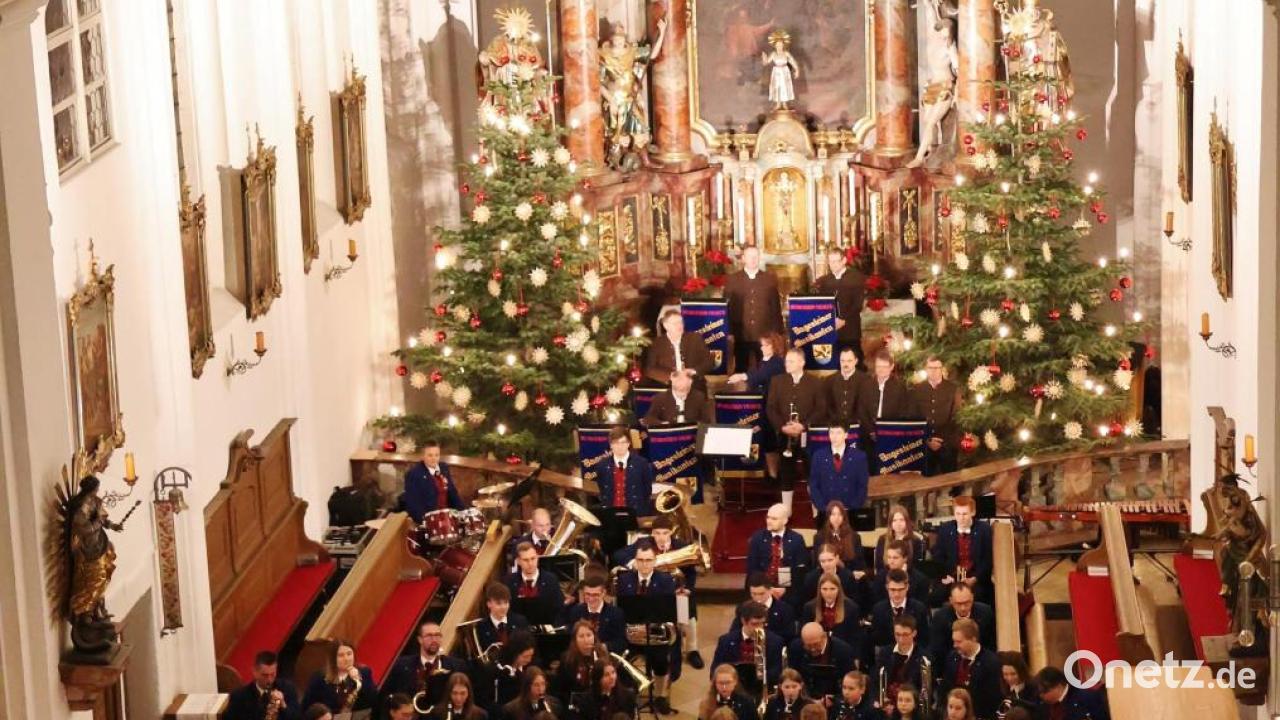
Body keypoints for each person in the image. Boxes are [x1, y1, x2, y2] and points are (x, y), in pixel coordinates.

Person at [614, 515, 704, 668]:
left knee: (687, 607)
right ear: (652, 533)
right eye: (657, 533)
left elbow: (691, 573)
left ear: (671, 533)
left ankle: (692, 649)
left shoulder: (681, 545)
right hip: (651, 589)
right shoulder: (643, 543)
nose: (661, 537)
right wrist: (632, 563)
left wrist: (688, 588)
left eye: (665, 533)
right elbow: (619, 554)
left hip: (676, 590)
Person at [614, 540, 678, 714]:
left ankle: (659, 696)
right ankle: (628, 693)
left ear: (655, 561)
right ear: (635, 561)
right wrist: (634, 629)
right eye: (640, 560)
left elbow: (669, 615)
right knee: (621, 657)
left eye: (648, 560)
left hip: (655, 634)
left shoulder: (665, 581)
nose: (644, 564)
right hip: (632, 633)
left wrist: (650, 629)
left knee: (660, 657)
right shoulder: (624, 580)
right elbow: (621, 612)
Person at [766, 349, 828, 513]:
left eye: (791, 361)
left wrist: (804, 426)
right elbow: (771, 408)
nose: (787, 364)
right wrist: (782, 427)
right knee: (786, 472)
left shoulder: (815, 383)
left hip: (808, 436)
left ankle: (816, 508)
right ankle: (787, 510)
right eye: (786, 361)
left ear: (802, 362)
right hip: (784, 435)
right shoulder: (776, 381)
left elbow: (821, 408)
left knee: (812, 472)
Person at [727, 331, 788, 481]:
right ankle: (768, 472)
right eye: (761, 345)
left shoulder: (777, 362)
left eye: (764, 345)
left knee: (770, 441)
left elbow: (760, 376)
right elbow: (753, 377)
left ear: (773, 346)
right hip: (759, 405)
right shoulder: (762, 362)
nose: (761, 348)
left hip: (772, 406)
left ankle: (775, 475)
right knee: (765, 440)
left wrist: (741, 376)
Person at [383, 621, 466, 712]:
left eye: (438, 635)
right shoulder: (401, 665)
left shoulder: (457, 666)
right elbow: (387, 696)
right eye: (429, 636)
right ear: (419, 639)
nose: (434, 639)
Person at [725, 245, 784, 370]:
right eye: (750, 256)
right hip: (740, 333)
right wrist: (728, 331)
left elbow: (775, 307)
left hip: (764, 334)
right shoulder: (733, 279)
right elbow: (727, 308)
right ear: (743, 258)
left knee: (765, 368)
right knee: (741, 368)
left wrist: (778, 332)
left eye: (756, 257)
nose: (753, 259)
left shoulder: (769, 279)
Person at [711, 601, 785, 700]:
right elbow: (715, 670)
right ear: (743, 621)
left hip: (761, 691)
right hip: (732, 689)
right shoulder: (726, 641)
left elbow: (777, 672)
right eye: (755, 624)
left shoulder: (775, 641)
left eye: (762, 623)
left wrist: (760, 674)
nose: (759, 628)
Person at [855, 351, 911, 475]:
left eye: (884, 367)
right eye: (878, 366)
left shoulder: (899, 387)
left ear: (891, 367)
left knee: (889, 470)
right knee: (869, 467)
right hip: (868, 434)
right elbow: (861, 411)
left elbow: (903, 412)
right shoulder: (866, 385)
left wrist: (888, 431)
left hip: (891, 435)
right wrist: (871, 431)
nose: (880, 370)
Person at [932, 496, 993, 604]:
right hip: (951, 577)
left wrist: (975, 578)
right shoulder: (945, 529)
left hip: (975, 579)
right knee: (936, 596)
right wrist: (948, 575)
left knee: (981, 596)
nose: (961, 518)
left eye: (964, 514)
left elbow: (988, 559)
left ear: (973, 512)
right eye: (958, 514)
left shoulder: (984, 530)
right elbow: (938, 556)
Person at [745, 503, 809, 607]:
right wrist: (767, 588)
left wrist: (785, 589)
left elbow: (800, 571)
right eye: (768, 517)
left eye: (774, 519)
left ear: (785, 521)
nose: (769, 521)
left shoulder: (797, 539)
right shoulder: (758, 538)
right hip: (761, 588)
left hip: (788, 590)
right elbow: (752, 568)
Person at [909, 355, 962, 476]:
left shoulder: (953, 389)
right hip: (923, 444)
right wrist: (927, 439)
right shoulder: (917, 389)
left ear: (942, 369)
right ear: (926, 369)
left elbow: (956, 418)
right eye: (930, 368)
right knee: (924, 483)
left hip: (947, 443)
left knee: (951, 482)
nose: (934, 371)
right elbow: (913, 417)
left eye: (937, 368)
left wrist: (941, 441)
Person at [940, 619, 1001, 719]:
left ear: (973, 639)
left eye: (959, 641)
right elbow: (945, 689)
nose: (955, 645)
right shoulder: (952, 658)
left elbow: (992, 700)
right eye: (954, 641)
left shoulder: (991, 663)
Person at [813, 248, 867, 361]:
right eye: (830, 262)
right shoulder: (824, 281)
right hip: (829, 327)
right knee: (831, 362)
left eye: (836, 261)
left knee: (853, 359)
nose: (832, 265)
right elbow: (822, 304)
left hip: (850, 328)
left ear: (844, 260)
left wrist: (843, 319)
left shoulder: (856, 277)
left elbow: (857, 304)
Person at [788, 622, 857, 707]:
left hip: (833, 703)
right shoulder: (796, 647)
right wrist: (806, 700)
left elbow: (853, 682)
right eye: (808, 646)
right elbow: (792, 677)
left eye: (816, 644)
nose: (813, 649)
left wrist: (835, 699)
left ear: (824, 637)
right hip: (803, 701)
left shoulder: (843, 651)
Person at [645, 308, 715, 391]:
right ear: (665, 325)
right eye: (675, 323)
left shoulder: (695, 338)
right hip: (669, 387)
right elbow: (650, 369)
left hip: (693, 385)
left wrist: (694, 371)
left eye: (681, 322)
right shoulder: (657, 343)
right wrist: (671, 375)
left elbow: (709, 362)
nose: (679, 326)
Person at [800, 574, 865, 663]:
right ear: (819, 590)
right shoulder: (810, 607)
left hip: (843, 654)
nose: (828, 593)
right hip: (817, 654)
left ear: (839, 589)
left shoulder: (851, 608)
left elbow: (855, 638)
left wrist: (856, 659)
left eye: (832, 589)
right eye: (824, 589)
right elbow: (805, 635)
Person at [301, 640, 377, 714]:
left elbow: (374, 700)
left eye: (349, 654)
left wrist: (359, 679)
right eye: (341, 655)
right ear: (333, 659)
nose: (346, 659)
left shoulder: (364, 672)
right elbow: (306, 708)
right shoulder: (319, 678)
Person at [808, 425, 870, 516]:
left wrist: (851, 508)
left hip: (850, 511)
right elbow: (813, 485)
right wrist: (823, 508)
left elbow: (862, 486)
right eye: (831, 433)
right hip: (825, 512)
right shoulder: (818, 456)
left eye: (838, 433)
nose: (834, 437)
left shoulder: (859, 457)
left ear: (846, 435)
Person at [929, 585, 996, 668]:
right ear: (951, 601)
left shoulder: (985, 613)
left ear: (972, 598)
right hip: (951, 665)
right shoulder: (940, 618)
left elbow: (991, 645)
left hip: (982, 664)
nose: (963, 608)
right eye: (959, 604)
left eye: (967, 602)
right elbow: (938, 650)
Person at [870, 616, 928, 711]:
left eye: (905, 635)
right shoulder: (885, 653)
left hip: (911, 708)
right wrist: (879, 700)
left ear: (914, 633)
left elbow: (924, 691)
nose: (901, 639)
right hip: (886, 706)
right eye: (897, 634)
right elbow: (876, 681)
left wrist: (899, 707)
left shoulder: (924, 658)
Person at [563, 571, 626, 654]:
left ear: (603, 593)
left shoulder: (616, 613)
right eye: (587, 594)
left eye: (595, 595)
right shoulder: (576, 611)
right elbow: (571, 637)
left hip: (605, 657)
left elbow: (621, 642)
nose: (591, 599)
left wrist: (604, 647)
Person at [226, 651, 301, 720]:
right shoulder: (239, 696)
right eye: (265, 675)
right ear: (254, 672)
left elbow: (297, 717)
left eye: (272, 674)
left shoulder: (288, 688)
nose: (269, 680)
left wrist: (283, 705)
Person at [598, 426, 656, 516]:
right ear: (610, 445)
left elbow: (647, 490)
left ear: (628, 444)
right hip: (611, 513)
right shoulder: (603, 465)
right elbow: (602, 488)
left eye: (623, 442)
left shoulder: (642, 463)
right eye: (616, 443)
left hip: (635, 513)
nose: (620, 446)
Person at [403, 440, 465, 522]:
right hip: (429, 521)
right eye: (430, 455)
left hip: (448, 516)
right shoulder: (414, 474)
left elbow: (453, 493)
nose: (434, 458)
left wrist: (462, 513)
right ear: (423, 456)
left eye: (437, 455)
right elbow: (413, 505)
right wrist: (427, 522)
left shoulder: (444, 468)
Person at [869, 571, 931, 649]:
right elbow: (876, 639)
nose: (896, 594)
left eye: (900, 590)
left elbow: (924, 639)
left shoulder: (919, 609)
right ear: (887, 587)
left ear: (907, 587)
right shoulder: (878, 609)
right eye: (893, 590)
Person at [730, 572, 798, 644]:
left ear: (770, 590)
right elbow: (734, 633)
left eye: (761, 594)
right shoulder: (743, 608)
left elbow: (789, 635)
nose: (757, 597)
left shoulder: (785, 609)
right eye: (754, 594)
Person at [506, 541, 566, 623]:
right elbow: (508, 611)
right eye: (525, 560)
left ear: (537, 557)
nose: (530, 563)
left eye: (533, 558)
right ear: (518, 561)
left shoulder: (550, 580)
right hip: (519, 632)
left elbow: (559, 609)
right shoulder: (510, 582)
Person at [554, 620, 604, 714]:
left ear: (594, 636)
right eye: (581, 636)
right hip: (575, 707)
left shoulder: (602, 655)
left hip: (599, 702)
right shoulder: (567, 659)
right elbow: (561, 690)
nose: (586, 640)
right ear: (575, 640)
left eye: (589, 635)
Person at [799, 544, 862, 616]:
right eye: (823, 561)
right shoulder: (811, 578)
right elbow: (807, 603)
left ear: (837, 558)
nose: (827, 564)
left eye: (830, 560)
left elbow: (853, 602)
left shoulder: (847, 576)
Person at [870, 541, 932, 608]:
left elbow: (920, 607)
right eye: (889, 557)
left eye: (895, 558)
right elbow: (877, 603)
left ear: (905, 558)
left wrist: (904, 578)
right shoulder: (880, 577)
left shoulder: (921, 580)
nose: (891, 561)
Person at [474, 582, 530, 656]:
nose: (503, 607)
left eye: (506, 602)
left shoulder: (520, 621)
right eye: (499, 603)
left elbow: (530, 651)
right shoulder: (481, 627)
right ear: (489, 604)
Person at [1034, 666, 1110, 720]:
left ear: (1058, 686)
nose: (1042, 696)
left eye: (1044, 691)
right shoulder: (1045, 706)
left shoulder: (1085, 697)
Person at [644, 369, 714, 426]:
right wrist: (663, 424)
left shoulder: (699, 397)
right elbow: (649, 419)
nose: (682, 394)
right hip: (669, 437)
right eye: (678, 390)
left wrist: (694, 425)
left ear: (690, 384)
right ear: (672, 384)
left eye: (685, 390)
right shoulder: (660, 398)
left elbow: (706, 421)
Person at [812, 501, 868, 573]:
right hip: (826, 576)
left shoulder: (854, 537)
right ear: (828, 517)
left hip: (849, 575)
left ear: (844, 517)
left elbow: (860, 565)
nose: (836, 518)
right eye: (833, 514)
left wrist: (842, 565)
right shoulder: (819, 537)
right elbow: (816, 564)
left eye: (840, 514)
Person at [873, 506, 926, 574]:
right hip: (886, 577)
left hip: (908, 577)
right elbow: (879, 566)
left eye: (901, 520)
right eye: (894, 520)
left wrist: (905, 571)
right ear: (890, 523)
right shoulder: (882, 539)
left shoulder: (916, 541)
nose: (898, 524)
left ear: (907, 522)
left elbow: (919, 567)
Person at [825, 349, 870, 429]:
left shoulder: (866, 380)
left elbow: (866, 406)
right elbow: (827, 406)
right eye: (843, 361)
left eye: (849, 361)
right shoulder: (829, 380)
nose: (845, 364)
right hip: (835, 428)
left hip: (859, 428)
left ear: (856, 361)